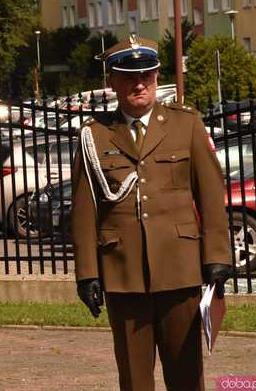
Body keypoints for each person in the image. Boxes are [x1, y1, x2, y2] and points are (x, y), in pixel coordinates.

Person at [71, 35, 233, 391]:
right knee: (134, 379)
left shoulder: (185, 124)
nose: (139, 84)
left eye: (146, 75)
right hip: (123, 274)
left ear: (158, 77)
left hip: (181, 270)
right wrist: (87, 273)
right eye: (128, 77)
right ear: (112, 82)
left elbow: (210, 194)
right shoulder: (94, 135)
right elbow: (85, 209)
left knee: (186, 376)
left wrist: (218, 256)